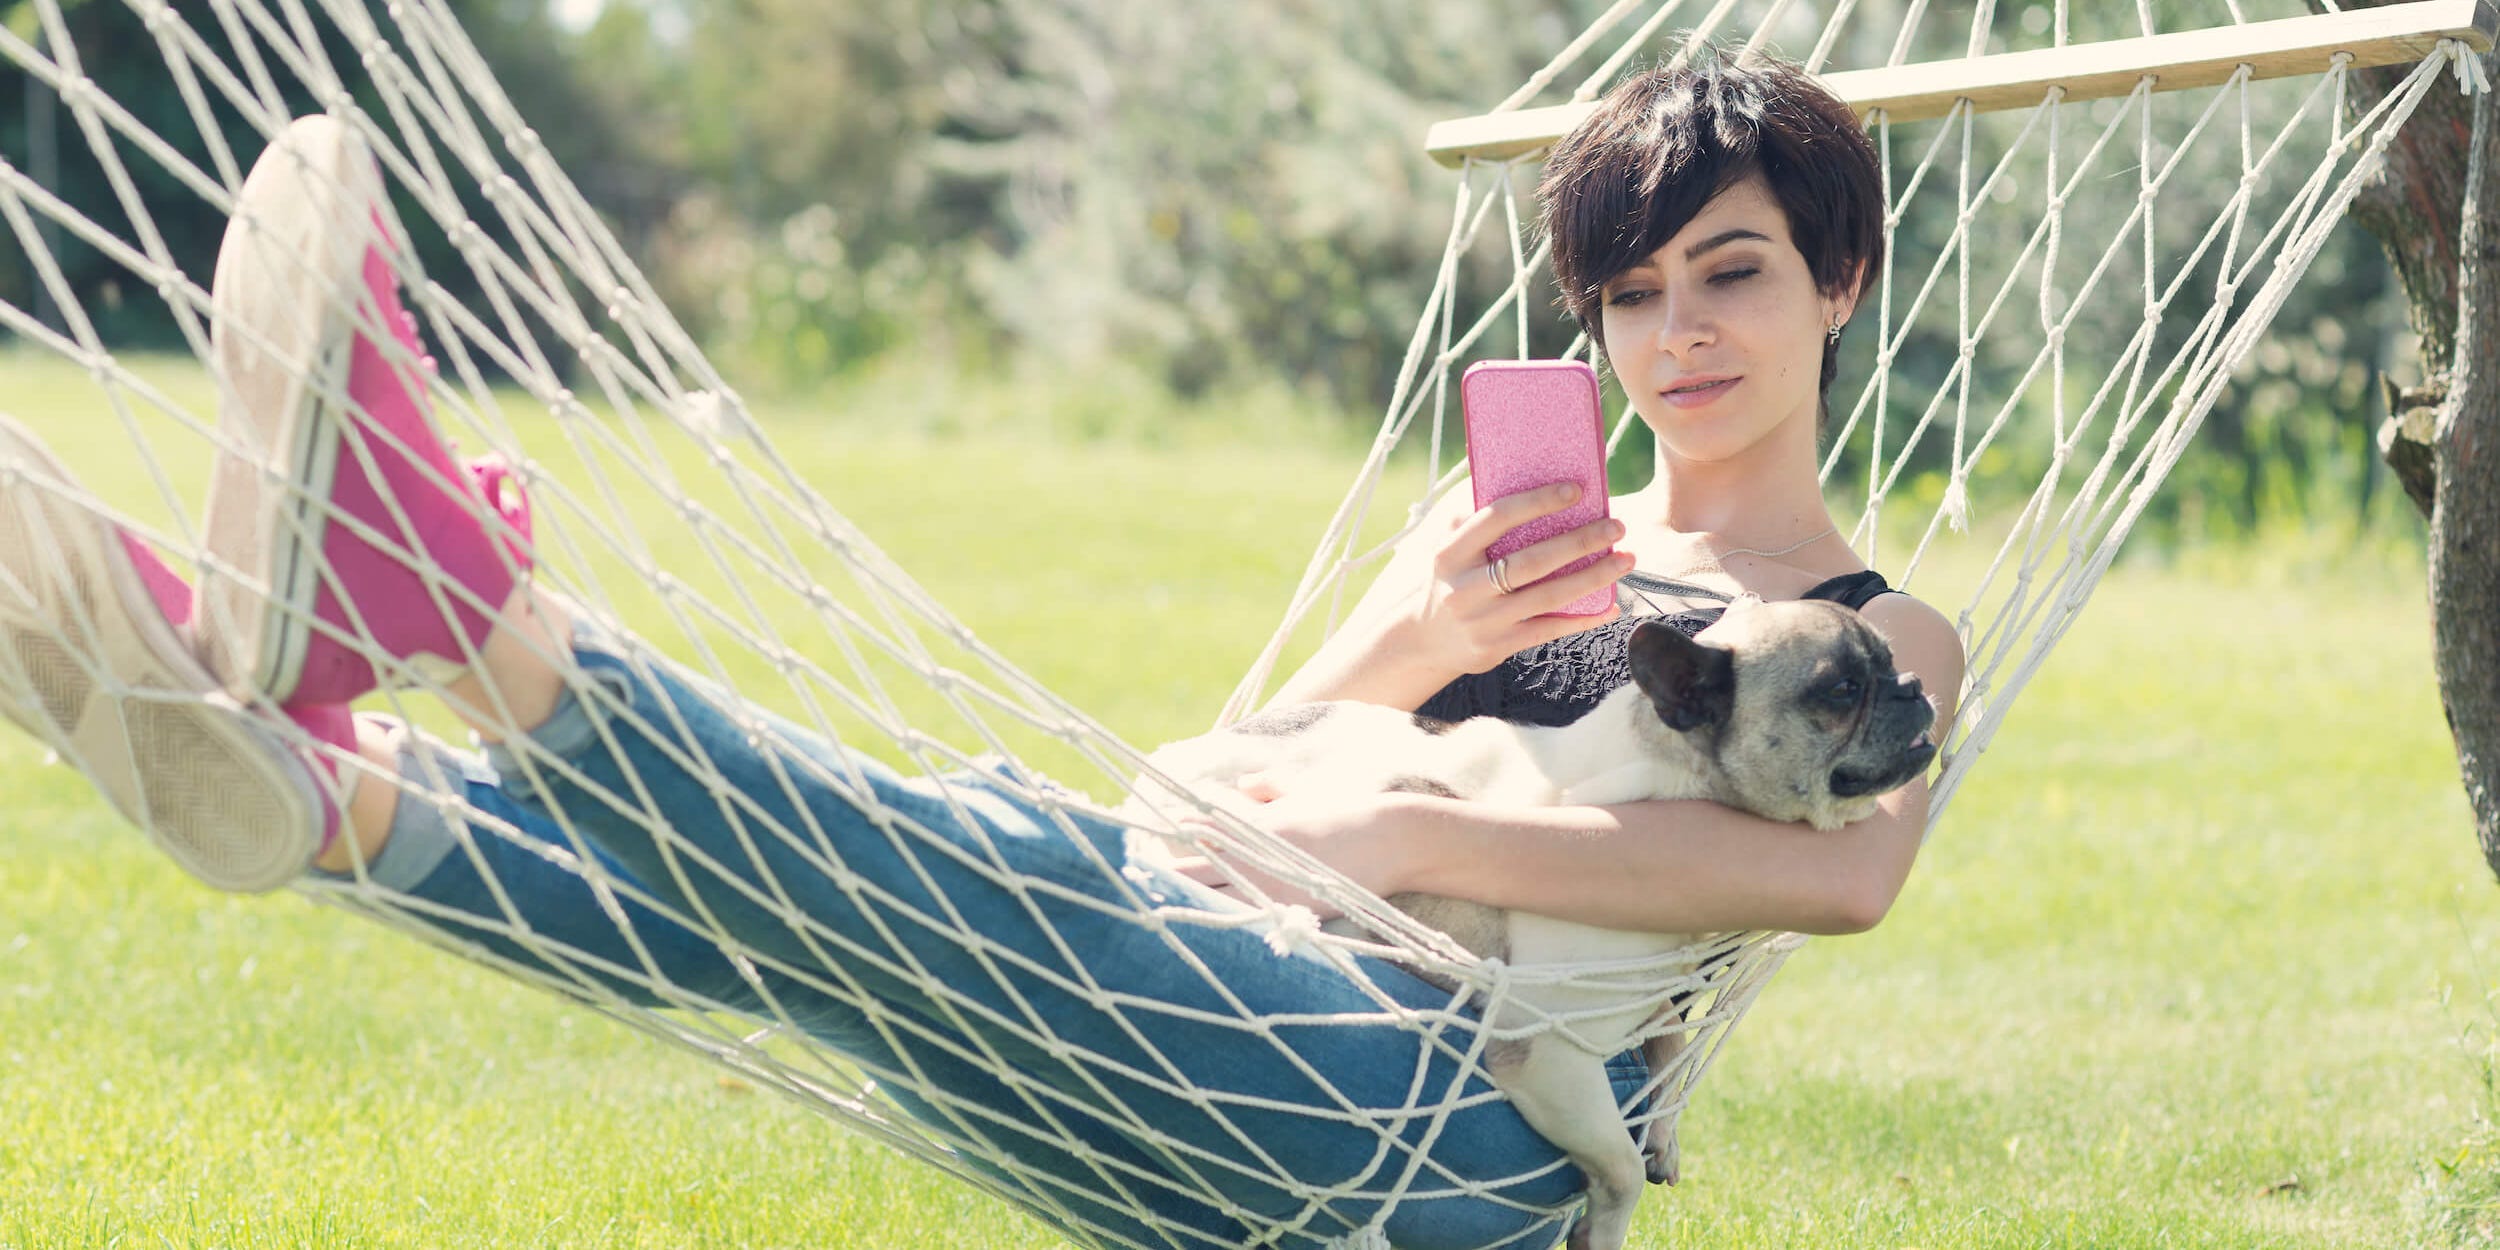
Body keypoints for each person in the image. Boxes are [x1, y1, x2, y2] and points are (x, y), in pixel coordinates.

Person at [0, 51, 1960, 1250]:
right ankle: (320, 793)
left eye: (1731, 274)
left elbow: (1845, 873)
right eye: (1629, 295)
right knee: (914, 886)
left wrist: (1396, 839)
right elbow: (1188, 797)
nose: (1676, 335)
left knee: (977, 881)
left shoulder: (1877, 647)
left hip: (1440, 1138)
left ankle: (447, 611)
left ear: (1835, 277)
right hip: (1258, 993)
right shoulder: (1513, 560)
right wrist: (1408, 631)